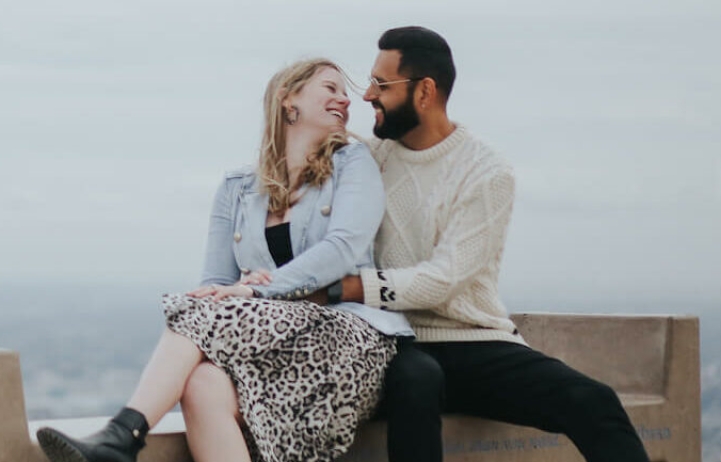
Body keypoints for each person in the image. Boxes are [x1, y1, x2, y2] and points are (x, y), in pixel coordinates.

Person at [33, 57, 414, 462]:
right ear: (289, 101)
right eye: (330, 88)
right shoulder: (236, 188)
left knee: (193, 312)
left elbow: (343, 249)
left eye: (344, 92)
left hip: (345, 336)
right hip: (270, 341)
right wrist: (235, 293)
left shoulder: (353, 164)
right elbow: (216, 282)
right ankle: (118, 442)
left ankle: (121, 437)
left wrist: (256, 289)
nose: (345, 99)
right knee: (202, 383)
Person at [328, 26, 651, 462]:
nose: (367, 95)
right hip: (393, 344)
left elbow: (444, 280)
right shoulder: (366, 159)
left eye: (381, 84)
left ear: (425, 92)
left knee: (594, 402)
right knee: (416, 384)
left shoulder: (486, 171)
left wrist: (345, 287)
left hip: (474, 343)